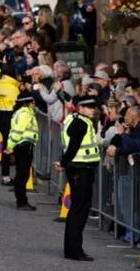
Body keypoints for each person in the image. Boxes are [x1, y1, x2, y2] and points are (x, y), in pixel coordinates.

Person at [56, 96, 100, 261]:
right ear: (79, 108)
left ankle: (73, 249)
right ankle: (74, 250)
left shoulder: (76, 120)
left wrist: (64, 162)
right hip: (80, 170)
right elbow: (73, 146)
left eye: (93, 106)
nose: (92, 109)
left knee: (78, 209)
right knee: (79, 210)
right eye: (88, 107)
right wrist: (63, 162)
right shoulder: (80, 122)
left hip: (80, 169)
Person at [5, 91, 39, 210]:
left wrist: (11, 146)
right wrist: (10, 146)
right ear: (27, 103)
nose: (34, 104)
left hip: (22, 146)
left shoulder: (23, 112)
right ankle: (21, 201)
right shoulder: (25, 113)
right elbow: (18, 131)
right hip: (24, 146)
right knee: (22, 174)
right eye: (32, 102)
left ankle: (22, 200)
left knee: (22, 174)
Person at [0, 65, 20, 185]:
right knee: (15, 147)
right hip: (11, 117)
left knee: (6, 146)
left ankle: (5, 175)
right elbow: (18, 105)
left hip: (0, 116)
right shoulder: (13, 88)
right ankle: (15, 176)